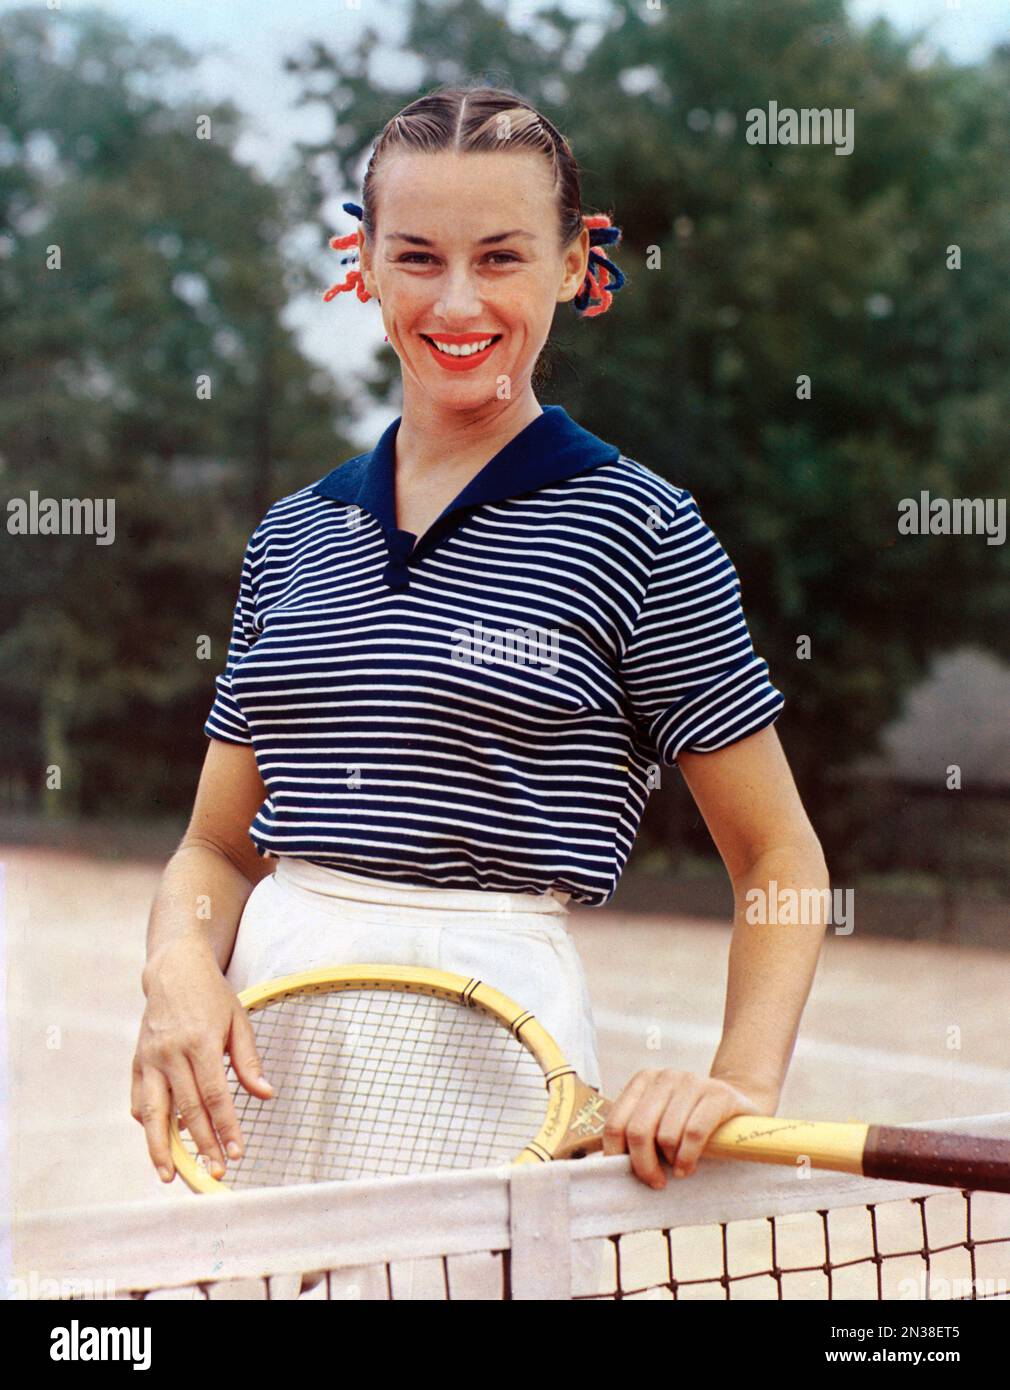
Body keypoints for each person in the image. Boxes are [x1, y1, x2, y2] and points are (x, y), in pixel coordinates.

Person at [132, 84, 829, 1194]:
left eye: (500, 257)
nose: (457, 301)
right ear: (361, 263)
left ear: (571, 263)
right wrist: (175, 964)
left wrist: (740, 1080)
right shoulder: (292, 533)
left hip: (502, 1060)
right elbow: (217, 848)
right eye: (416, 256)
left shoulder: (640, 526)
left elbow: (777, 859)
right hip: (263, 1064)